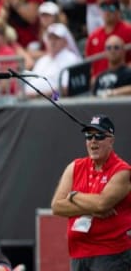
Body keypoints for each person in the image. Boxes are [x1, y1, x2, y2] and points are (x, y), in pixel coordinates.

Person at [50, 115, 131, 270]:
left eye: (99, 136)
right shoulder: (75, 166)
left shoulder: (122, 171)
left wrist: (74, 196)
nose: (93, 140)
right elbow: (57, 206)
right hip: (78, 253)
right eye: (89, 136)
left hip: (111, 254)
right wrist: (92, 207)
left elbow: (102, 204)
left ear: (111, 140)